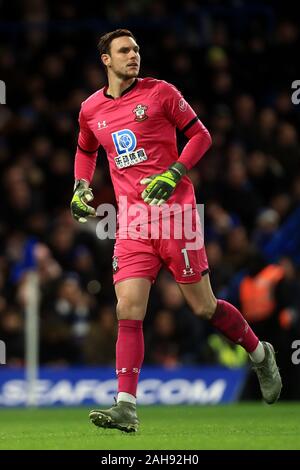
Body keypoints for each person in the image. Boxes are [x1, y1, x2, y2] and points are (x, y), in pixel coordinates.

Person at [70, 29, 282, 433]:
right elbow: (85, 149)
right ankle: (126, 406)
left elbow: (201, 136)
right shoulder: (90, 109)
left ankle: (260, 355)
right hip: (131, 224)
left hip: (176, 218)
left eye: (136, 49)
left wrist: (175, 171)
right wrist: (81, 186)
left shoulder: (160, 93)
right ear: (106, 60)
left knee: (203, 307)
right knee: (127, 309)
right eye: (124, 51)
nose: (133, 55)